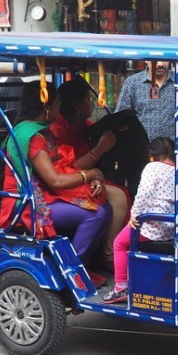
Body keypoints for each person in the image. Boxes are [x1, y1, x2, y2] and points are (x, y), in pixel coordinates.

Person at [0, 82, 111, 286]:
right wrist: (89, 174)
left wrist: (91, 177)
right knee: (97, 214)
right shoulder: (31, 136)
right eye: (58, 103)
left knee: (106, 207)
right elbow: (55, 179)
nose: (61, 108)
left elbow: (66, 166)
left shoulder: (44, 132)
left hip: (46, 192)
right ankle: (72, 271)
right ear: (47, 107)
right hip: (27, 202)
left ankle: (83, 266)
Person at [55, 77, 130, 270]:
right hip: (63, 183)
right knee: (116, 198)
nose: (93, 103)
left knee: (124, 191)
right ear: (76, 105)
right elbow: (65, 168)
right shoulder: (58, 128)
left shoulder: (84, 125)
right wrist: (98, 150)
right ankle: (108, 255)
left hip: (85, 177)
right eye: (89, 99)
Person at [102, 137, 175, 304]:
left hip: (153, 226)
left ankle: (121, 287)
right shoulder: (177, 170)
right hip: (171, 226)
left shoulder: (152, 167)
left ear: (152, 155)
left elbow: (143, 193)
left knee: (119, 243)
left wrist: (134, 215)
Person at [114, 61, 176, 142]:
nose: (160, 64)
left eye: (164, 59)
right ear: (146, 60)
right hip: (143, 150)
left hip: (173, 151)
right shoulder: (132, 83)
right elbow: (121, 118)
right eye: (155, 60)